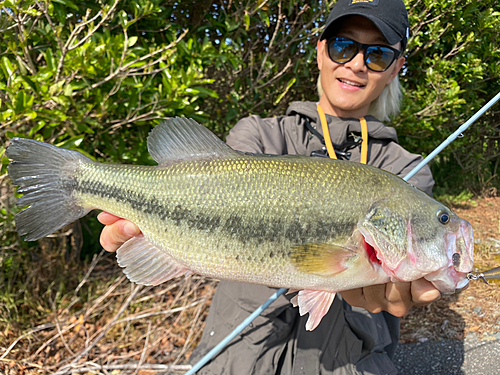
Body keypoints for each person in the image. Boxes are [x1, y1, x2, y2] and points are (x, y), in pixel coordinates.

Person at [98, 0, 442, 373]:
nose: (357, 64)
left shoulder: (406, 172)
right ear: (321, 51)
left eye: (377, 54)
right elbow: (217, 198)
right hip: (239, 352)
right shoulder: (257, 134)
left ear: (395, 68)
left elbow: (397, 282)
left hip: (351, 360)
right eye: (344, 46)